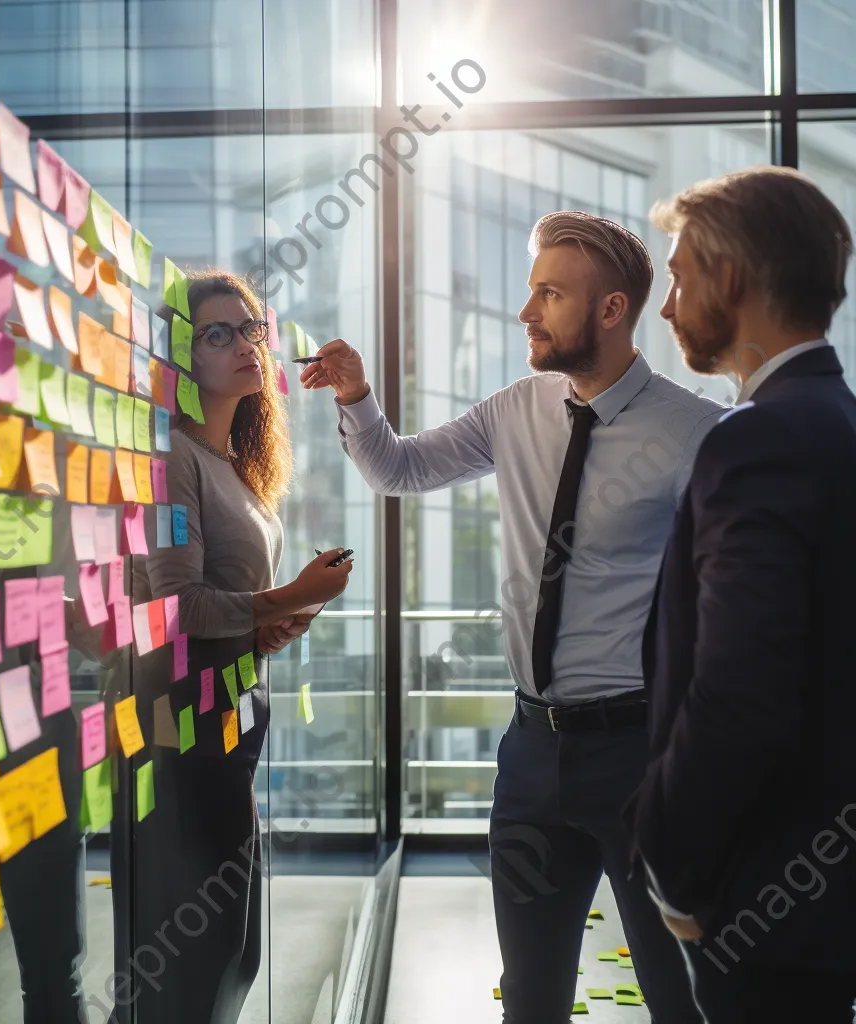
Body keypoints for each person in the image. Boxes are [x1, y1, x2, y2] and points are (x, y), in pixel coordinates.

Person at [301, 212, 722, 1023]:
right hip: (532, 754)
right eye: (530, 292)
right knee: (530, 998)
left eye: (549, 294)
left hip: (644, 756)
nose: (526, 313)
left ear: (610, 310)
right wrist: (356, 395)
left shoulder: (698, 433)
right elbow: (399, 469)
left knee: (678, 997)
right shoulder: (515, 410)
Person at [628, 166, 856, 1022]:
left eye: (679, 276)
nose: (668, 303)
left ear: (729, 278)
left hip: (761, 900)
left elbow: (739, 696)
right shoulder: (838, 420)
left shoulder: (756, 441)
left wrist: (677, 875)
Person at [107, 270, 353, 1024]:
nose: (245, 343)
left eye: (250, 328)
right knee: (199, 955)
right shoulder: (173, 458)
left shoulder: (234, 466)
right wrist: (291, 597)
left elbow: (226, 608)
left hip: (230, 724)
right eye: (219, 334)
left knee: (230, 951)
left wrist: (275, 622)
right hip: (180, 736)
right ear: (183, 358)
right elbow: (175, 609)